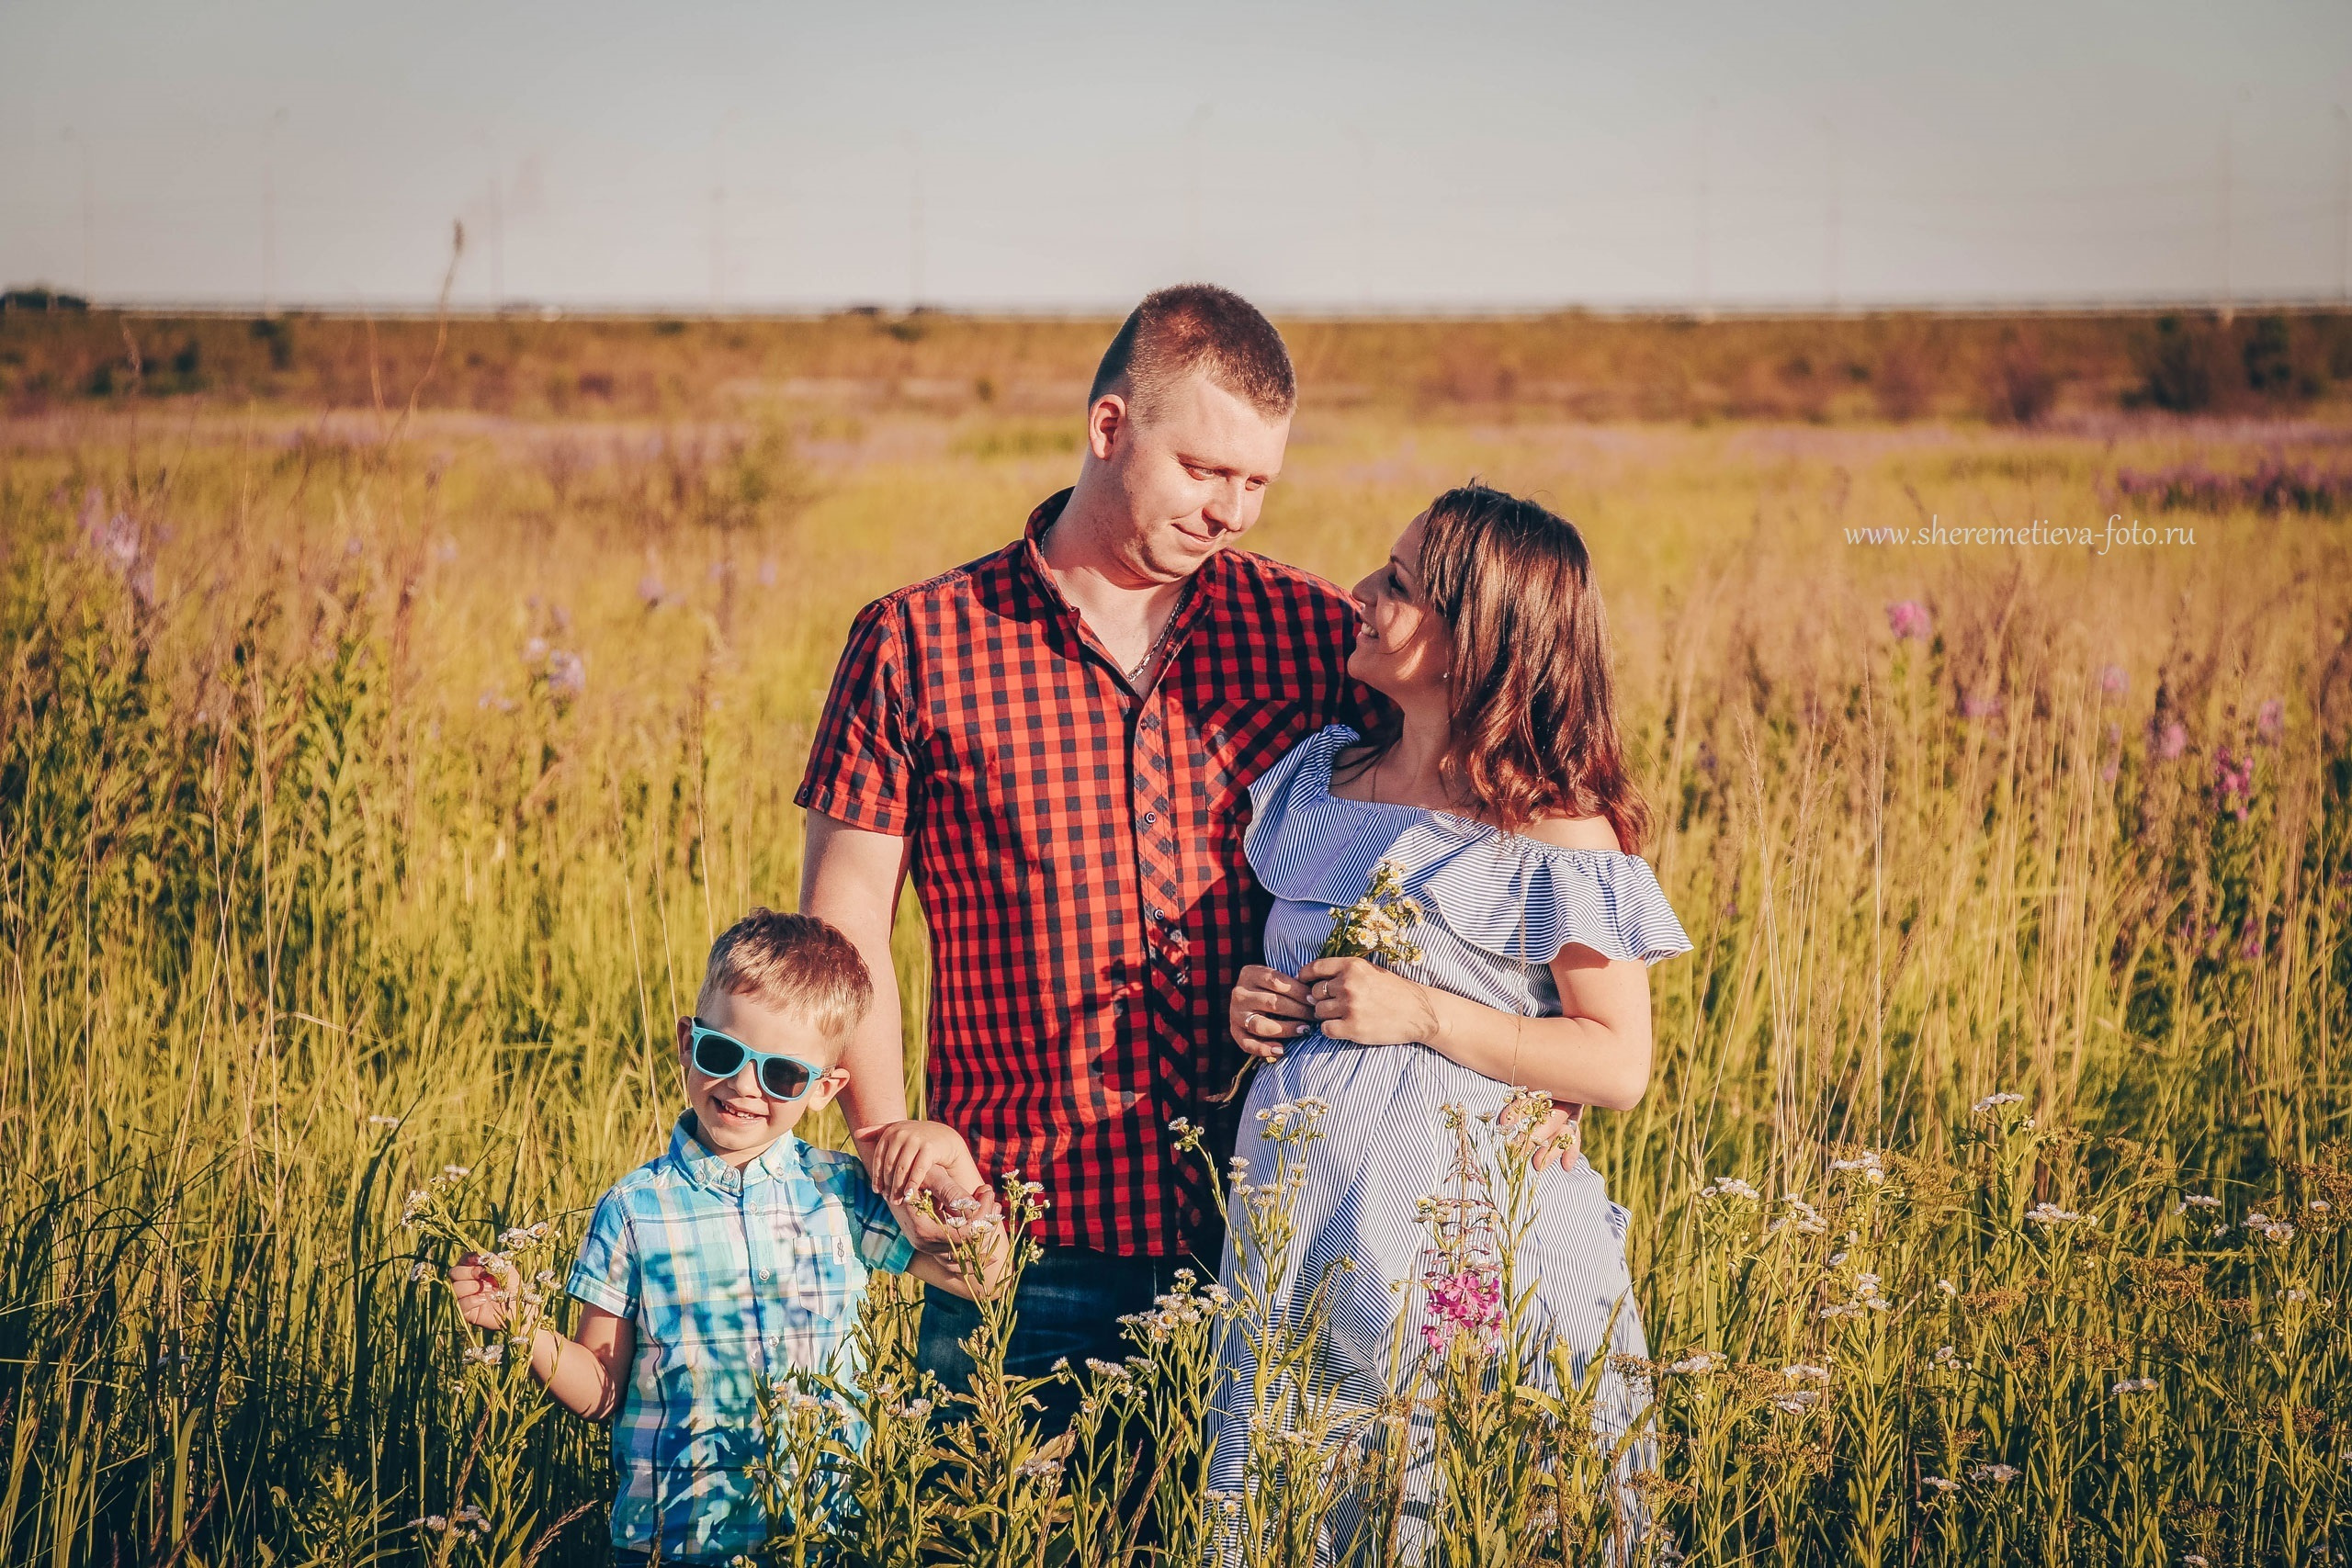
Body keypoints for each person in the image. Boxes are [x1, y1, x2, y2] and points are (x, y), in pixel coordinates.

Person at [797, 284, 1388, 1422]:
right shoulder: (919, 640)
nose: (1232, 512)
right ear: (1109, 427)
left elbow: (1457, 829)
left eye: (1258, 481)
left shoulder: (1311, 634)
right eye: (1205, 471)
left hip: (1271, 1222)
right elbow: (845, 918)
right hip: (1017, 1229)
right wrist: (885, 1147)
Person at [1207, 484, 1694, 1563]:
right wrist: (1259, 1000)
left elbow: (1616, 1062)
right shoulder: (1318, 783)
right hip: (1307, 1250)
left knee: (1470, 1519)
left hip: (1471, 1261)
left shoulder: (1556, 826)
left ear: (1476, 641)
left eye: (1399, 586)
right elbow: (1302, 974)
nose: (1360, 595)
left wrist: (1421, 1011)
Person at [448, 908, 999, 1568]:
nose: (742, 1085)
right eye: (722, 1053)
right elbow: (602, 1390)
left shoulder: (842, 1193)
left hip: (827, 1536)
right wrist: (520, 1326)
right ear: (688, 1042)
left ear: (825, 1088)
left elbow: (980, 1280)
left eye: (783, 1075)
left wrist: (953, 1157)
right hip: (678, 1543)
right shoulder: (633, 1209)